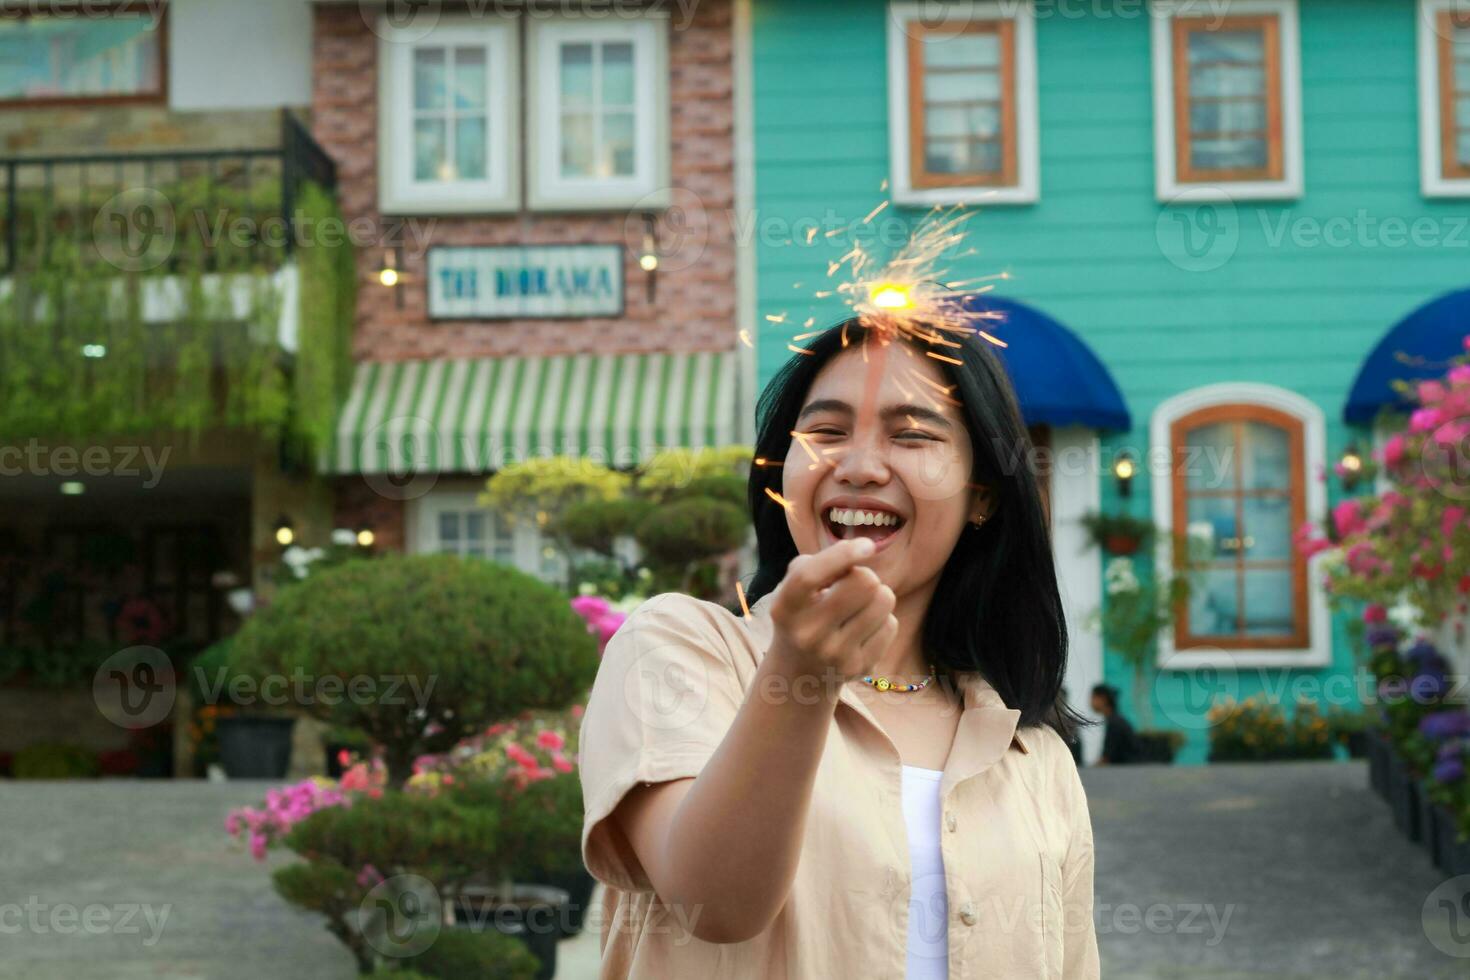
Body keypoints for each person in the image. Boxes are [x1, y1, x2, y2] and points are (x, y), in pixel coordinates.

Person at [578, 316, 1102, 979]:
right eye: (824, 432)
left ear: (982, 495)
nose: (857, 467)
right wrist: (801, 676)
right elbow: (715, 903)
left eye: (912, 435)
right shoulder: (679, 650)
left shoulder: (1034, 756)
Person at [1090, 683, 1141, 765]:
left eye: (1093, 697)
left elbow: (1106, 758)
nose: (1090, 702)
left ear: (1103, 699)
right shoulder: (1116, 720)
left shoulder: (1114, 724)